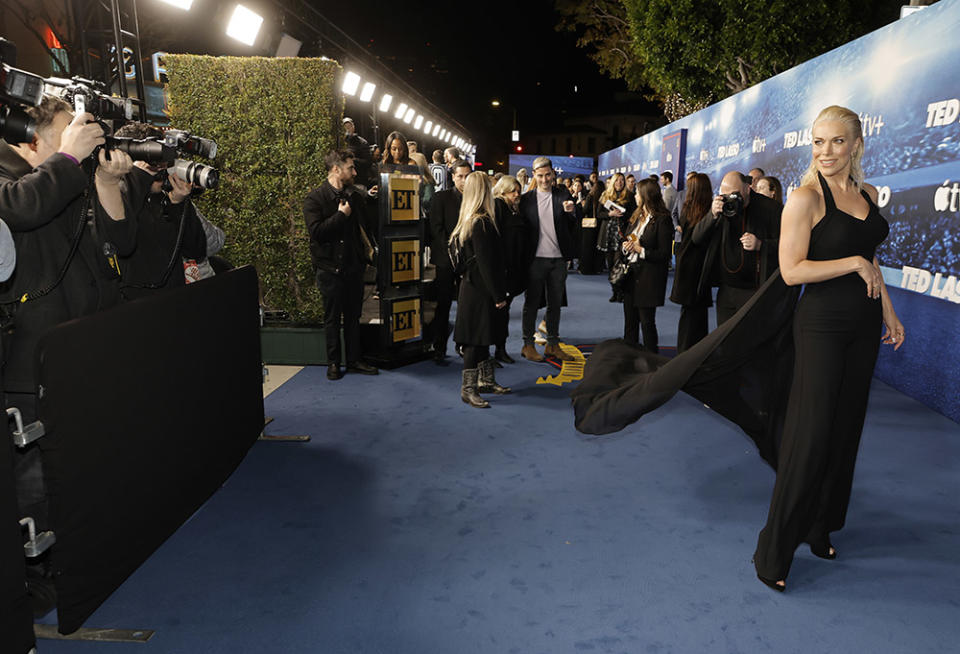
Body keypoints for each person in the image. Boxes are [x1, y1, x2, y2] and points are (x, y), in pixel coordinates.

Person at [753, 105, 904, 592]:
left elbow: (872, 265)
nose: (826, 152)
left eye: (837, 142)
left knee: (845, 431)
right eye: (818, 142)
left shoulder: (869, 194)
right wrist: (853, 261)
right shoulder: (803, 199)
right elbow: (793, 271)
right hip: (819, 326)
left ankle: (821, 528)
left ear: (856, 144)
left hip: (863, 327)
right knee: (810, 434)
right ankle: (773, 550)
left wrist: (888, 312)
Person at [303, 150, 379, 380]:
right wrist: (340, 216)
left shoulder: (355, 196)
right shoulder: (314, 199)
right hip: (328, 270)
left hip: (353, 268)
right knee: (332, 319)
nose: (354, 172)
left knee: (354, 317)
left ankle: (355, 360)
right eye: (350, 168)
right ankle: (333, 363)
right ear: (336, 169)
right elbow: (316, 233)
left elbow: (364, 229)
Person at [113, 122, 207, 301]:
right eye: (154, 158)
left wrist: (178, 204)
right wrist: (138, 178)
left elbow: (197, 251)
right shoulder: (115, 201)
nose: (161, 166)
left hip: (173, 303)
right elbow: (118, 235)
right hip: (134, 309)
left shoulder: (164, 200)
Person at [450, 172, 510, 408]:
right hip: (480, 289)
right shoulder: (481, 222)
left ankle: (486, 380)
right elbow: (486, 264)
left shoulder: (471, 218)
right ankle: (468, 389)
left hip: (473, 286)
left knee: (484, 335)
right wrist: (498, 295)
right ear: (484, 191)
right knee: (475, 340)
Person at [693, 170, 782, 326]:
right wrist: (712, 215)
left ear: (747, 188)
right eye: (725, 194)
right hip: (726, 288)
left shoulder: (771, 209)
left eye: (735, 194)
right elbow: (697, 238)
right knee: (725, 344)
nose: (731, 199)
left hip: (755, 289)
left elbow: (787, 245)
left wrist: (761, 245)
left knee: (750, 343)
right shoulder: (722, 207)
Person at [518, 156, 581, 362]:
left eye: (548, 175)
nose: (544, 179)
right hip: (535, 260)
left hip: (558, 260)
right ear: (534, 175)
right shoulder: (526, 200)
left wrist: (572, 213)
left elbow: (573, 222)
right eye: (540, 175)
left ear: (553, 174)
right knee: (532, 303)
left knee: (555, 305)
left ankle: (552, 345)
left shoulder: (563, 193)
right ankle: (527, 344)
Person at [617, 178, 673, 352]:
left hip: (649, 278)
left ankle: (651, 361)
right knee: (630, 322)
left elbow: (664, 255)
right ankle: (629, 357)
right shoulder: (637, 215)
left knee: (647, 323)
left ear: (646, 195)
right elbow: (630, 238)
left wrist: (640, 250)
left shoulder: (663, 220)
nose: (634, 195)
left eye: (637, 193)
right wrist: (627, 247)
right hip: (631, 274)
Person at [428, 159, 472, 362]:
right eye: (460, 176)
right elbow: (436, 230)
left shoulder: (475, 198)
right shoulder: (440, 198)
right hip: (446, 260)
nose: (463, 180)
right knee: (443, 304)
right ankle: (439, 347)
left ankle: (463, 345)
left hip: (469, 260)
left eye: (467, 176)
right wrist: (452, 252)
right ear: (452, 177)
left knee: (467, 306)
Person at [669, 173, 714, 353]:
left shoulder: (688, 208)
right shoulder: (704, 211)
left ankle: (689, 352)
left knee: (692, 314)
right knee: (694, 315)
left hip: (686, 263)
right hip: (695, 266)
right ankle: (690, 353)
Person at [492, 175, 527, 363]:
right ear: (503, 190)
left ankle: (500, 348)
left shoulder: (513, 208)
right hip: (502, 269)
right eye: (513, 191)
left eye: (518, 191)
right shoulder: (498, 205)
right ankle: (494, 350)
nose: (516, 194)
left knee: (503, 311)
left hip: (513, 269)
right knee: (498, 311)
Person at [597, 173, 635, 283]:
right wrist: (610, 214)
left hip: (621, 232)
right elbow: (599, 214)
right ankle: (614, 285)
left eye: (622, 180)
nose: (619, 182)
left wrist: (622, 214)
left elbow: (633, 215)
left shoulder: (629, 195)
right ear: (613, 182)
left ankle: (619, 286)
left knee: (618, 261)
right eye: (617, 180)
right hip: (608, 232)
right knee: (610, 263)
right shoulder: (605, 195)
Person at [342, 117, 371, 185]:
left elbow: (368, 162)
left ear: (353, 127)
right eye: (345, 127)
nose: (347, 129)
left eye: (349, 126)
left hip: (359, 180)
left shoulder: (362, 143)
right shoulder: (341, 143)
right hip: (345, 181)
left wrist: (353, 160)